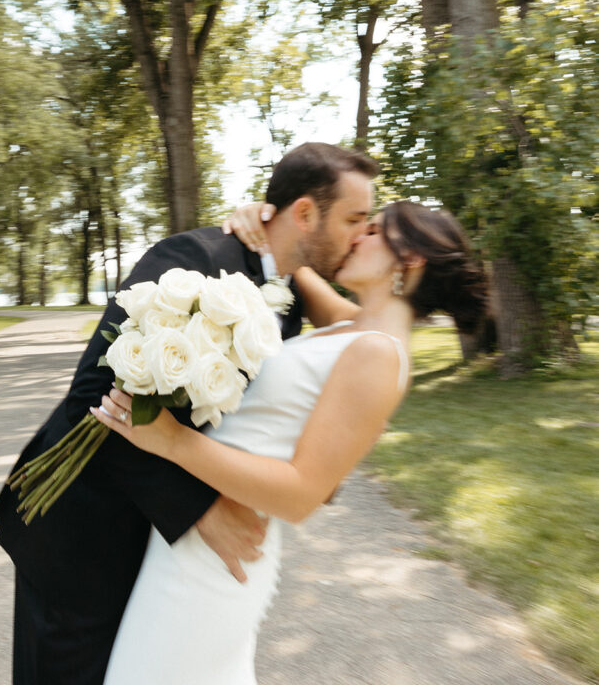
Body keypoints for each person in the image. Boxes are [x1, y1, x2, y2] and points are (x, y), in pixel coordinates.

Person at [0, 142, 377, 685]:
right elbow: (95, 397)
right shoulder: (194, 260)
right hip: (84, 536)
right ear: (306, 212)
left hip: (156, 558)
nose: (362, 234)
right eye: (356, 218)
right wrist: (201, 510)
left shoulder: (286, 306)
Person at [91, 200, 488, 685]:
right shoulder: (352, 325)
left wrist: (171, 442)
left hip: (216, 562)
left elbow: (302, 494)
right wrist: (255, 221)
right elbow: (292, 261)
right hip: (191, 539)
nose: (357, 234)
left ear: (410, 260)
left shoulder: (379, 356)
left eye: (374, 230)